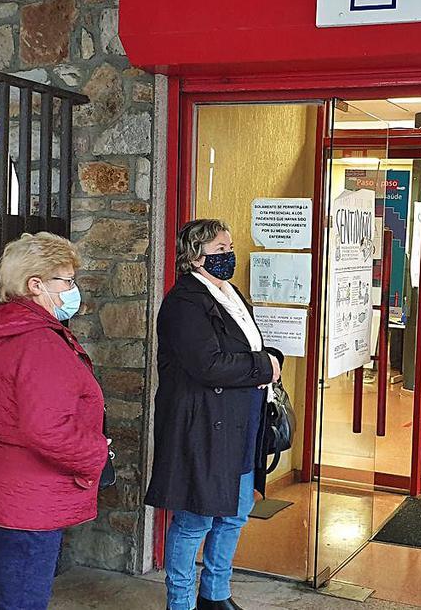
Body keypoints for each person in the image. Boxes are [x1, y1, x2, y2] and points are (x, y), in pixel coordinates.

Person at [145, 219, 284, 610]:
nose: (228, 256)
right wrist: (264, 366)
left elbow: (248, 346)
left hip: (242, 422)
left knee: (237, 512)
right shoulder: (184, 302)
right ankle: (180, 601)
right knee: (195, 520)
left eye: (229, 247)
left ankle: (215, 594)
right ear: (195, 255)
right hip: (203, 426)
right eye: (219, 250)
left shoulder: (229, 292)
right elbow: (209, 364)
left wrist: (270, 361)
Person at [0, 232, 109, 610]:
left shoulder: (8, 329)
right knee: (21, 601)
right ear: (36, 285)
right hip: (30, 497)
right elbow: (46, 427)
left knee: (11, 596)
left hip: (11, 488)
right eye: (67, 281)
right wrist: (97, 452)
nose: (73, 289)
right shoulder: (38, 343)